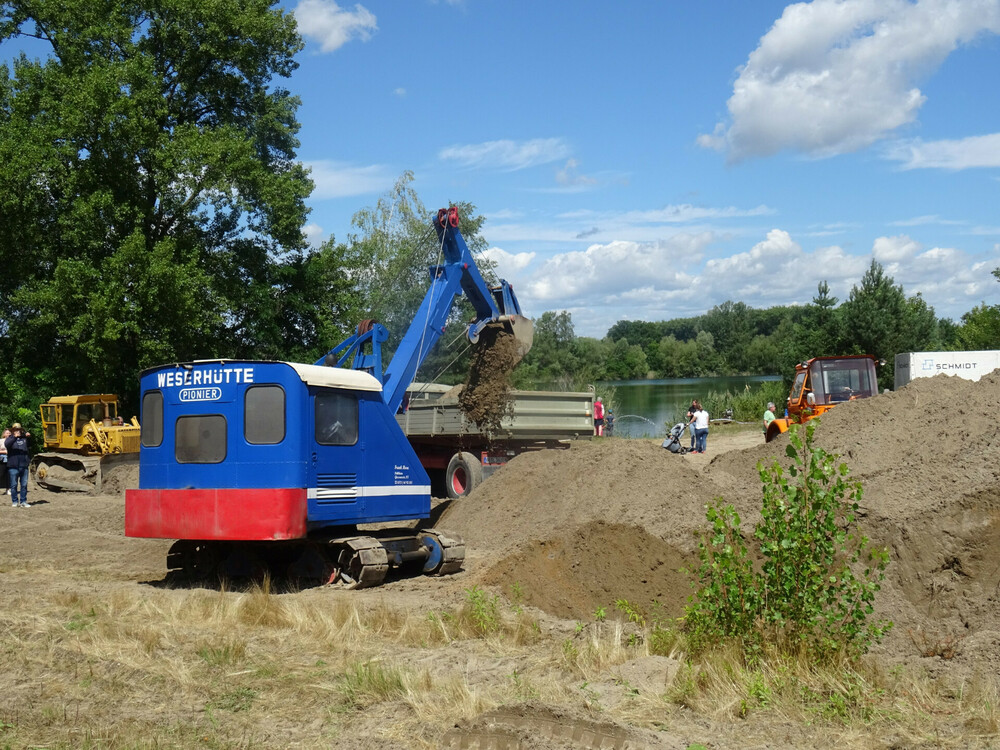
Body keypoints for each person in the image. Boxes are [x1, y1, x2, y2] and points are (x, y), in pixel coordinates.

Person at [5, 423, 32, 508]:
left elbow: (30, 445)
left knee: (24, 485)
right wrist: (14, 437)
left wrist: (29, 437)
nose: (18, 431)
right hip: (13, 466)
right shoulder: (10, 439)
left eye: (19, 430)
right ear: (13, 431)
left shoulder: (24, 439)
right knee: (14, 485)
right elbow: (7, 445)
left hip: (24, 465)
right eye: (16, 430)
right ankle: (15, 501)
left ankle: (23, 501)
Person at [0, 429, 8, 494]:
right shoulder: (1, 441)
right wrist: (5, 452)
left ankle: (8, 489)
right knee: (1, 474)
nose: (8, 434)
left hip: (10, 459)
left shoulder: (12, 441)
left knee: (9, 475)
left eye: (9, 433)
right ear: (4, 434)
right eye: (7, 433)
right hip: (2, 459)